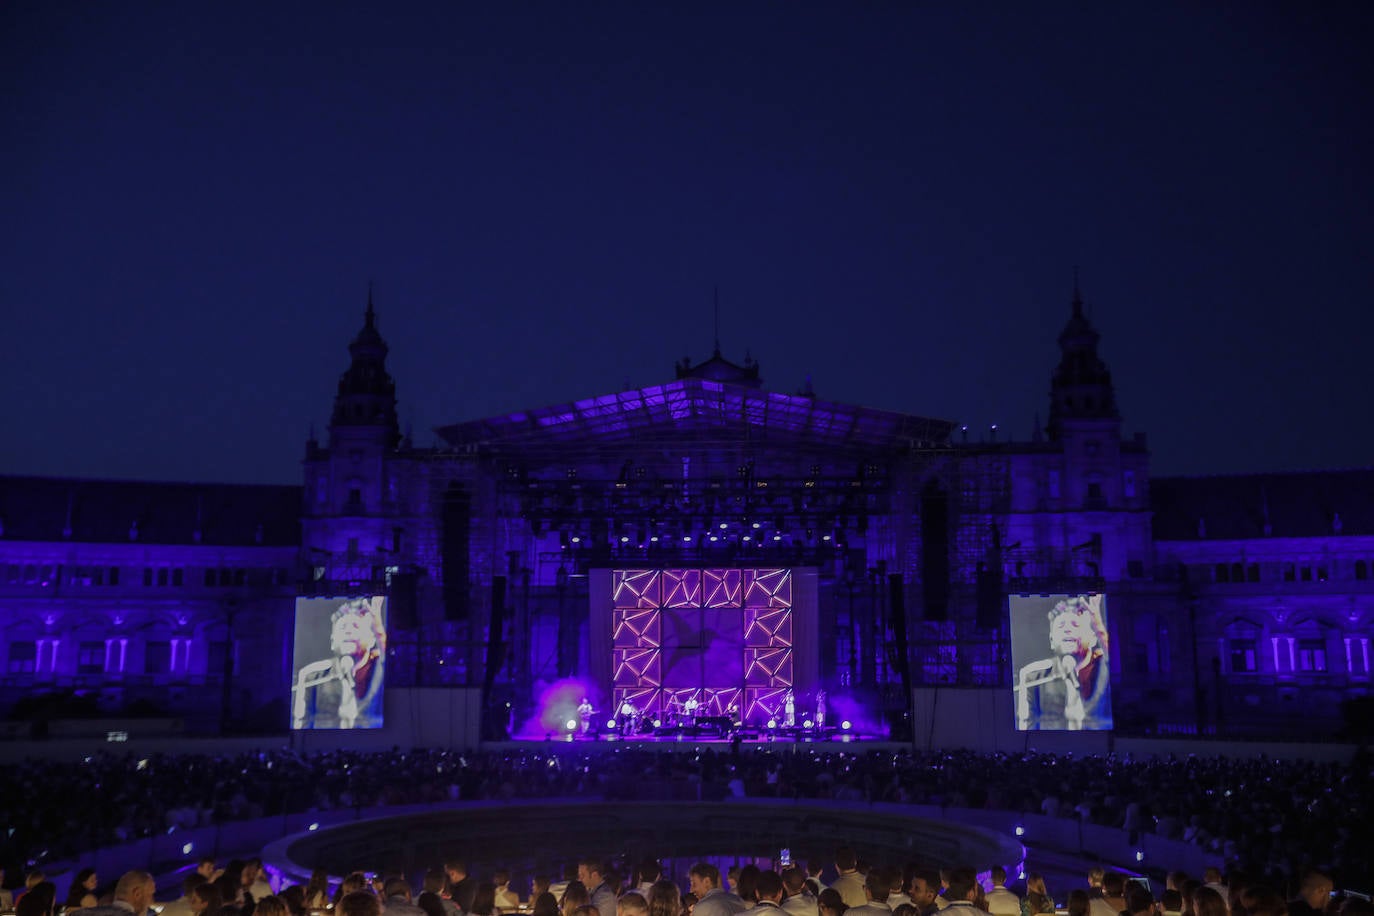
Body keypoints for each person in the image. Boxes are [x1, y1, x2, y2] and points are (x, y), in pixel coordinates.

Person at [1016, 594, 1111, 730]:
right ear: (1051, 641)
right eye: (1061, 626)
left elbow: (1110, 659)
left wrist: (1100, 629)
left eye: (1075, 625)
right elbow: (1026, 725)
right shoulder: (1033, 674)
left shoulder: (1102, 669)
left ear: (1092, 637)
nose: (1067, 630)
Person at [292, 596, 387, 729]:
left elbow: (388, 659)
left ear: (372, 639)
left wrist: (379, 631)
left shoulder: (379, 669)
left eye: (355, 626)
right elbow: (301, 723)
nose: (348, 631)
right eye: (342, 627)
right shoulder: (312, 674)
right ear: (332, 641)